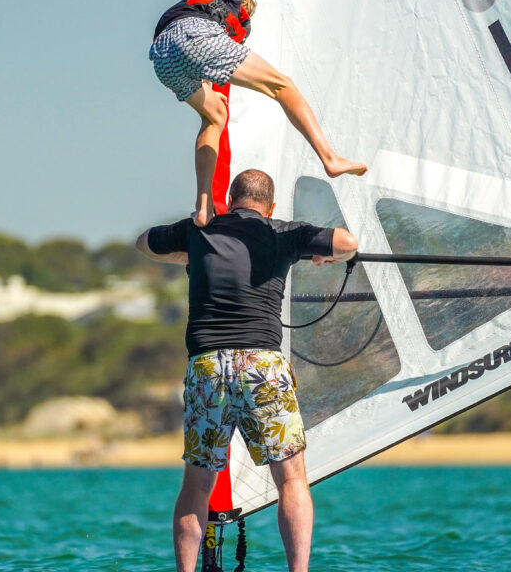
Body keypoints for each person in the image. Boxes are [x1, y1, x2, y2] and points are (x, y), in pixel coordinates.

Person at [136, 169, 360, 572]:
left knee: (196, 485)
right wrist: (324, 253)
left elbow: (144, 242)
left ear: (228, 199)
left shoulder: (198, 230)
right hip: (261, 365)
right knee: (291, 479)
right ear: (269, 206)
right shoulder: (282, 232)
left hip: (207, 366)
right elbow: (348, 243)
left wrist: (187, 248)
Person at [149, 0, 367, 227]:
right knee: (282, 86)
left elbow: (182, 51)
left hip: (162, 57)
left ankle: (202, 207)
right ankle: (330, 158)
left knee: (214, 116)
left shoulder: (187, 3)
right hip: (195, 36)